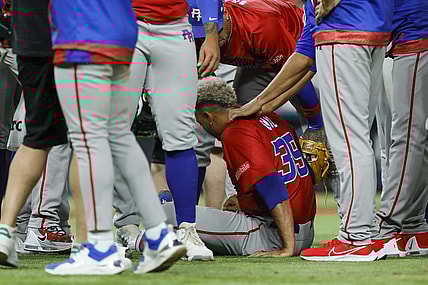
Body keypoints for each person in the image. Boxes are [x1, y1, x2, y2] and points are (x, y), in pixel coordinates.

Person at [42, 0, 187, 275]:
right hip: (122, 31)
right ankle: (158, 234)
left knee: (88, 140)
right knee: (119, 135)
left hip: (83, 29)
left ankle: (99, 248)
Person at [158, 77, 316, 256]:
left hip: (274, 234)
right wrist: (246, 203)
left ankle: (143, 241)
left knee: (165, 210)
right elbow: (295, 178)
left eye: (200, 121)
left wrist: (287, 247)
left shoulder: (235, 132)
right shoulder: (269, 116)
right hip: (304, 231)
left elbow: (273, 186)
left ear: (208, 117)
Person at [112, 0, 214, 261]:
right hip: (123, 22)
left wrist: (211, 31)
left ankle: (187, 230)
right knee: (113, 132)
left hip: (175, 27)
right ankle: (118, 227)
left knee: (180, 135)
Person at [0, 0, 69, 268]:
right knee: (85, 135)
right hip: (70, 36)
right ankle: (47, 225)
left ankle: (7, 231)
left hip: (29, 35)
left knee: (37, 137)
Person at [374, 0, 428, 257]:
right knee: (410, 139)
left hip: (415, 33)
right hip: (397, 42)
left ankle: (387, 225)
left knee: (408, 137)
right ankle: (414, 226)